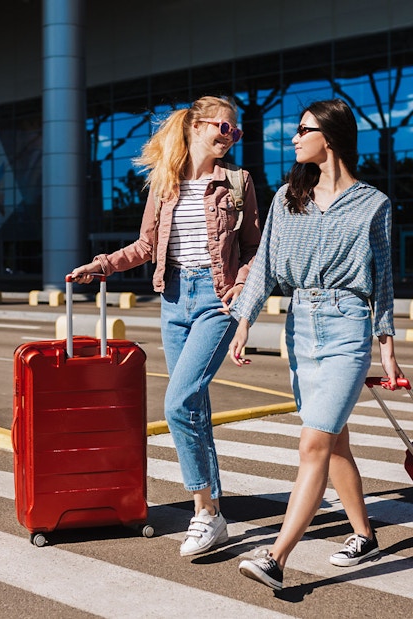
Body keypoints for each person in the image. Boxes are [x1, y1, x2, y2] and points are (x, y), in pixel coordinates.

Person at [71, 95, 261, 556]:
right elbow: (145, 244)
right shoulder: (166, 183)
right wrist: (102, 265)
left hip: (217, 301)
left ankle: (205, 513)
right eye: (224, 127)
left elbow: (257, 248)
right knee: (193, 408)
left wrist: (242, 286)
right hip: (173, 299)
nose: (231, 136)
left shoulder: (238, 182)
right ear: (196, 128)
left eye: (236, 131)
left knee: (177, 402)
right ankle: (212, 511)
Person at [228, 98, 404, 590]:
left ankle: (276, 558)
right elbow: (264, 264)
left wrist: (385, 342)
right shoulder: (288, 197)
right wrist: (244, 320)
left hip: (348, 326)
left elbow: (384, 277)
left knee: (313, 442)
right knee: (335, 440)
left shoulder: (373, 203)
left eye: (303, 130)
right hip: (300, 324)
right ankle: (365, 534)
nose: (294, 138)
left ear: (330, 136)